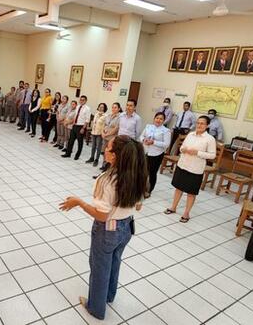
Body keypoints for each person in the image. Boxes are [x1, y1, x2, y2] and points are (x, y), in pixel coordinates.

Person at [59, 135, 147, 320]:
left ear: (115, 156)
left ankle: (96, 308)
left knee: (100, 268)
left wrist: (79, 203)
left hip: (107, 230)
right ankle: (108, 296)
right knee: (114, 262)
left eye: (108, 147)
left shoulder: (107, 180)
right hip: (127, 228)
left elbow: (102, 215)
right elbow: (138, 205)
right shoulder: (137, 174)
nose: (104, 149)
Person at [165, 116, 216, 223]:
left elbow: (212, 155)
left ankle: (186, 213)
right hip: (183, 165)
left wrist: (197, 153)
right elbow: (182, 147)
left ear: (207, 126)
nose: (199, 125)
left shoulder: (210, 139)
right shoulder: (190, 134)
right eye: (198, 123)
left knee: (191, 192)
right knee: (178, 188)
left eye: (202, 123)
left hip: (195, 169)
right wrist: (183, 149)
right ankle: (173, 207)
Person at [139, 112, 171, 197]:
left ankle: (149, 190)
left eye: (161, 119)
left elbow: (166, 144)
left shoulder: (166, 131)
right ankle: (140, 188)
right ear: (154, 118)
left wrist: (154, 142)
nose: (158, 120)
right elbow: (141, 136)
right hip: (146, 152)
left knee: (152, 173)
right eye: (157, 118)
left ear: (164, 121)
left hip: (157, 154)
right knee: (143, 171)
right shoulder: (148, 126)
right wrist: (144, 140)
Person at [62, 95, 91, 160]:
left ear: (86, 101)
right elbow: (75, 116)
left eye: (83, 100)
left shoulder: (87, 109)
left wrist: (83, 128)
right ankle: (68, 153)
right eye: (80, 100)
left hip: (81, 126)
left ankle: (77, 155)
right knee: (70, 140)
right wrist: (73, 123)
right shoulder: (77, 107)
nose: (81, 101)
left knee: (79, 142)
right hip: (75, 125)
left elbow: (87, 120)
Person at [98, 102, 122, 171]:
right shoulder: (109, 115)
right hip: (105, 137)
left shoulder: (120, 117)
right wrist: (102, 132)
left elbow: (116, 128)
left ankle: (109, 167)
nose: (113, 109)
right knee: (104, 152)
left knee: (110, 153)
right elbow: (104, 125)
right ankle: (104, 165)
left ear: (119, 109)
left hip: (112, 138)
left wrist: (107, 134)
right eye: (112, 107)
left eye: (115, 107)